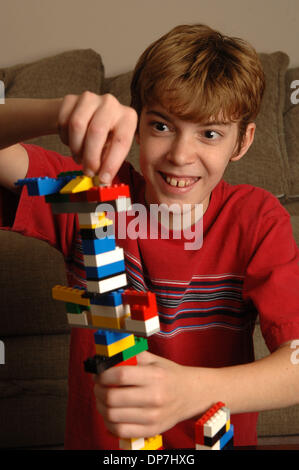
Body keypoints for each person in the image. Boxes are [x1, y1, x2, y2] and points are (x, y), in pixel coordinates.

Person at [0, 24, 298, 450]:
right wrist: (58, 111)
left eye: (209, 134)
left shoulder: (257, 218)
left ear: (242, 142)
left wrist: (188, 391)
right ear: (137, 125)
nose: (179, 155)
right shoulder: (94, 195)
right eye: (161, 127)